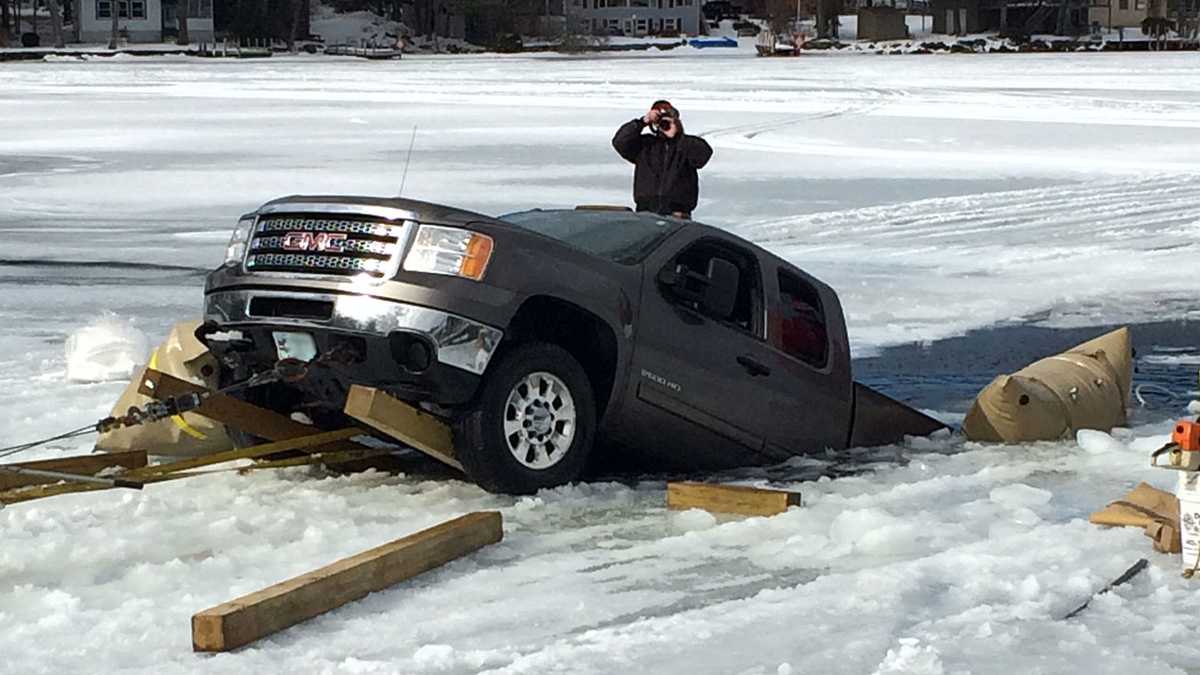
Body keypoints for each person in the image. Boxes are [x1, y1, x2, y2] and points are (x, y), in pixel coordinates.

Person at [612, 100, 713, 219]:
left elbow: (703, 155)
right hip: (646, 210)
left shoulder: (685, 145)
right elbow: (620, 141)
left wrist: (678, 136)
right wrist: (642, 122)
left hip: (678, 213)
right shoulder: (645, 145)